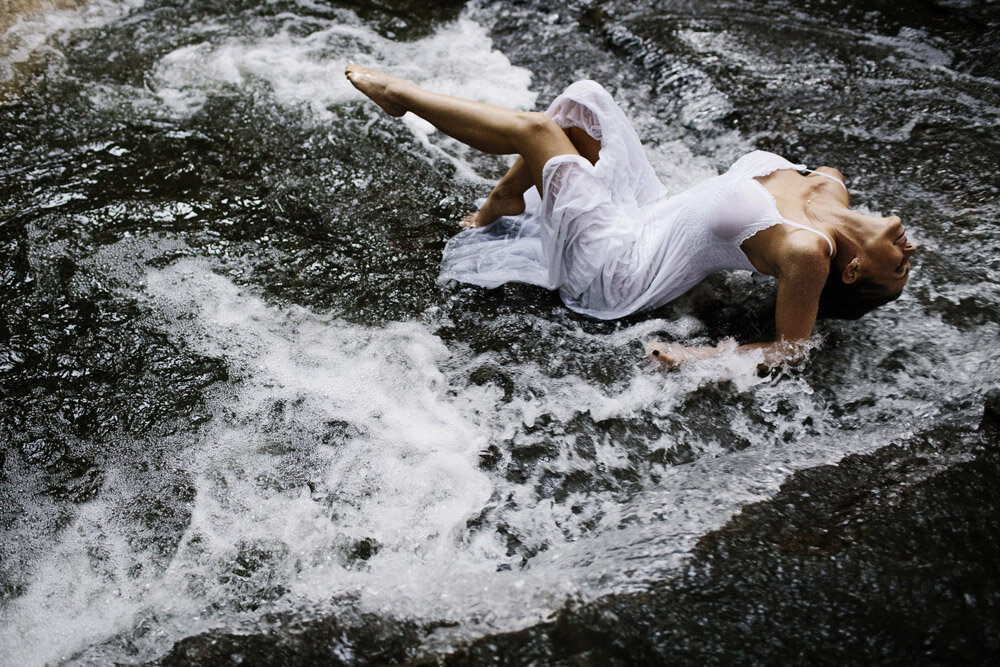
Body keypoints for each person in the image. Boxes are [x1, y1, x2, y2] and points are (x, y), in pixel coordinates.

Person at [344, 63, 917, 368]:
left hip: (619, 273)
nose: (909, 255)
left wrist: (696, 357)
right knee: (584, 100)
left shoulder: (808, 252)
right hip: (650, 213)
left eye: (898, 271)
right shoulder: (830, 183)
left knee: (540, 131)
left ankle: (404, 98)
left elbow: (790, 349)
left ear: (852, 271)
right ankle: (505, 198)